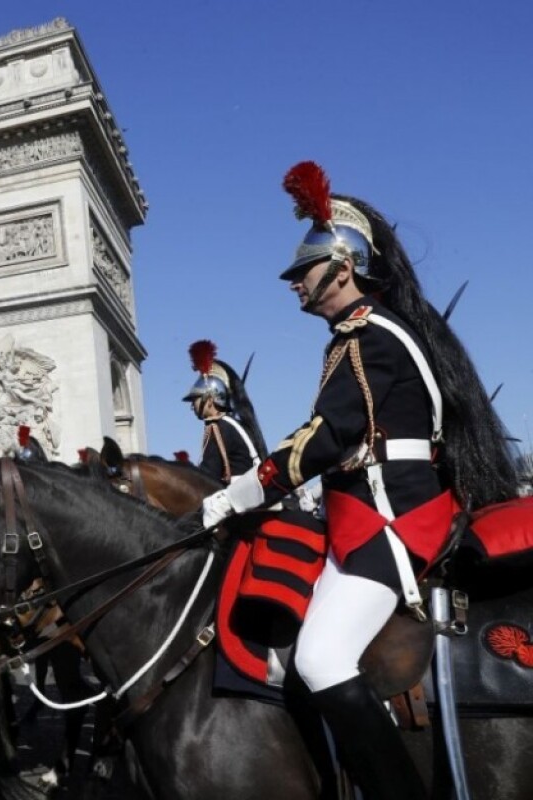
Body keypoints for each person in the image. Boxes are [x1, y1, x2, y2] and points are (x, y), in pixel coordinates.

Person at [200, 161, 519, 800]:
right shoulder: (358, 336)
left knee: (320, 658)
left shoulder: (371, 336)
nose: (295, 284)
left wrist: (242, 491)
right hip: (363, 511)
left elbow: (329, 437)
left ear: (342, 267)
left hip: (394, 518)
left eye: (303, 272)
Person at [184, 340, 268, 484]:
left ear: (210, 399)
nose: (192, 406)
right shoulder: (233, 424)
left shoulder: (219, 427)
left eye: (195, 399)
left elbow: (208, 476)